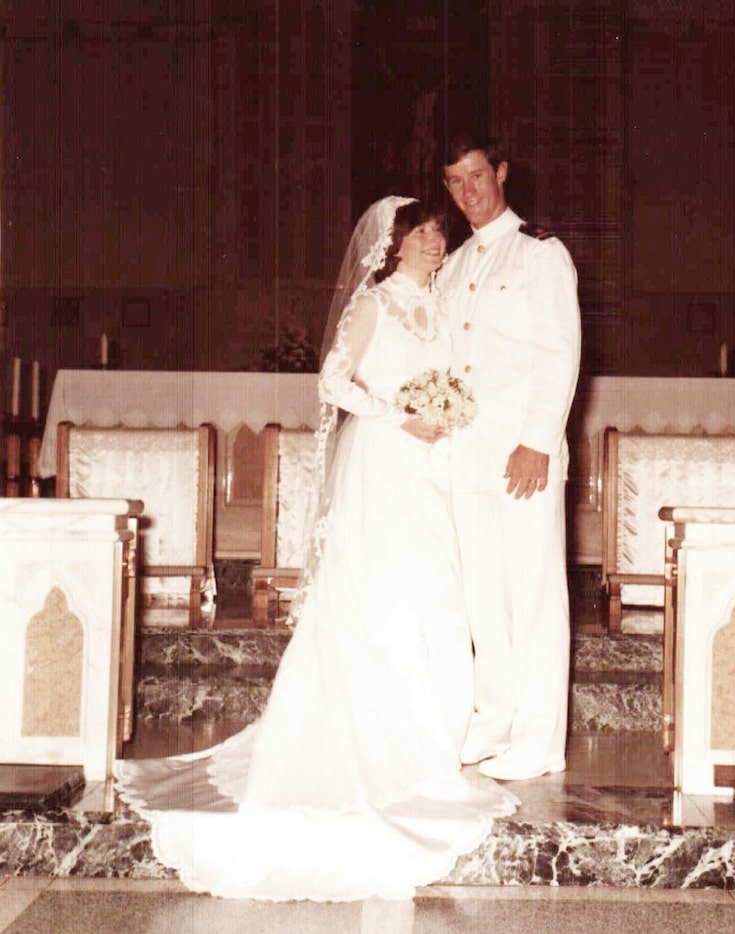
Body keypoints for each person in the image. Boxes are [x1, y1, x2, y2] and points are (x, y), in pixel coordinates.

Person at [114, 196, 517, 902]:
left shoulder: (445, 306)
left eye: (435, 234)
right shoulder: (376, 305)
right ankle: (374, 742)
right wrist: (400, 416)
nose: (429, 243)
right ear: (390, 247)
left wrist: (450, 412)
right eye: (417, 235)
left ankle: (428, 744)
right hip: (384, 463)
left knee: (438, 598)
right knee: (379, 594)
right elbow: (334, 381)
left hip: (432, 467)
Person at [436, 132, 581, 782]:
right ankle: (494, 719)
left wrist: (536, 442)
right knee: (481, 599)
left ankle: (539, 739)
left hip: (523, 455)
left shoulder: (540, 255)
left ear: (500, 172)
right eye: (455, 183)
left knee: (531, 595)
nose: (469, 192)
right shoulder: (459, 264)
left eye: (476, 176)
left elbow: (558, 353)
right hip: (467, 458)